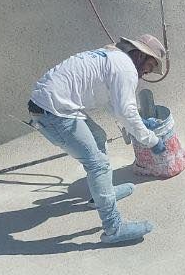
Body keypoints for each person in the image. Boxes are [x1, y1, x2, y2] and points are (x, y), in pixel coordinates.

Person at [26, 35, 168, 244]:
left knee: (99, 137)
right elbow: (126, 111)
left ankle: (102, 193)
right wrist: (152, 141)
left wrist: (137, 125)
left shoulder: (113, 58)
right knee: (97, 165)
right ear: (140, 55)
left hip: (53, 106)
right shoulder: (126, 68)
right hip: (53, 113)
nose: (147, 72)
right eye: (150, 65)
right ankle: (113, 228)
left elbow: (114, 103)